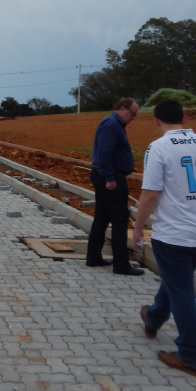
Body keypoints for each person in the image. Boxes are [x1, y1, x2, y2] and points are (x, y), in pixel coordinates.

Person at [133, 99, 196, 377]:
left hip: (174, 235)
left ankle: (190, 354)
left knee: (182, 292)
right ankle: (153, 318)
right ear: (185, 118)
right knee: (176, 281)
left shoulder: (159, 148)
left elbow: (150, 194)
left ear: (156, 121)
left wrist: (138, 227)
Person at [86, 97, 145, 275]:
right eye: (132, 114)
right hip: (110, 177)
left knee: (102, 217)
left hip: (104, 175)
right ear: (122, 109)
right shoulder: (112, 124)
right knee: (120, 219)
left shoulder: (113, 124)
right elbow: (105, 153)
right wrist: (110, 178)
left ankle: (94, 257)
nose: (133, 118)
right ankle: (121, 264)